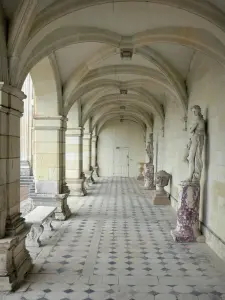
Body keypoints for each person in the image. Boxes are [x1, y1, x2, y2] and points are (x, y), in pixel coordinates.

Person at [183, 105, 205, 182]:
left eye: (195, 111)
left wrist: (191, 129)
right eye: (193, 112)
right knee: (190, 159)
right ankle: (190, 175)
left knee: (193, 159)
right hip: (194, 139)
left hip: (196, 139)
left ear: (199, 110)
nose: (194, 113)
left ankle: (192, 176)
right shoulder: (199, 120)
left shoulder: (198, 119)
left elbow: (191, 130)